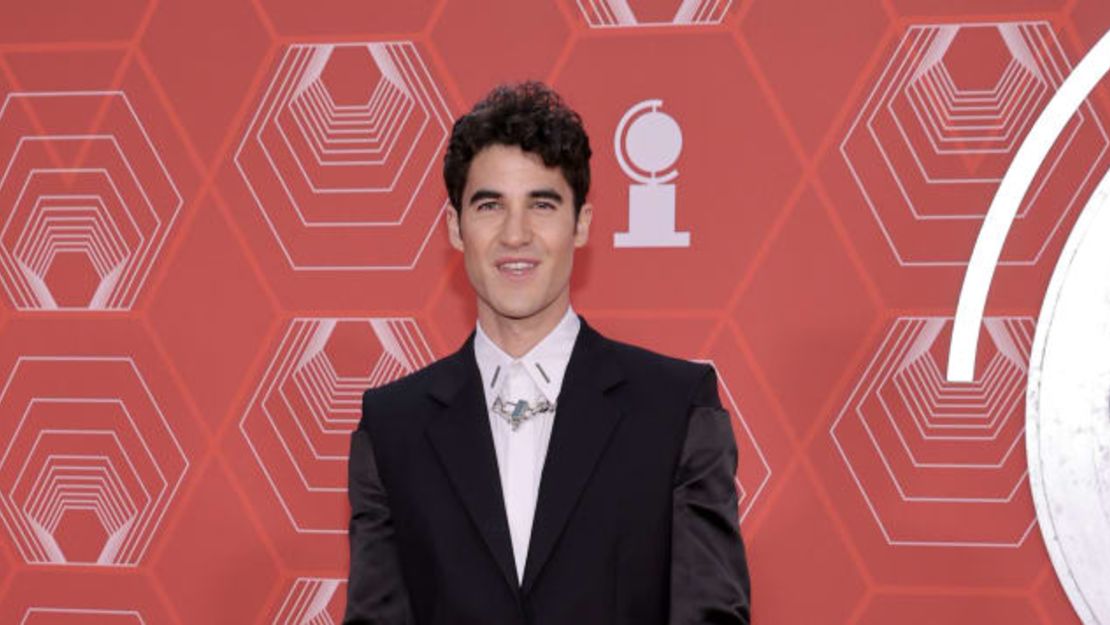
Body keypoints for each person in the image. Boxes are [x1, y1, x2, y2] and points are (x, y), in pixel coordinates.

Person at [344, 81, 750, 624]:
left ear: (580, 224)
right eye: (490, 205)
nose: (516, 235)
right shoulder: (393, 426)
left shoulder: (675, 409)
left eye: (542, 204)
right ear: (455, 228)